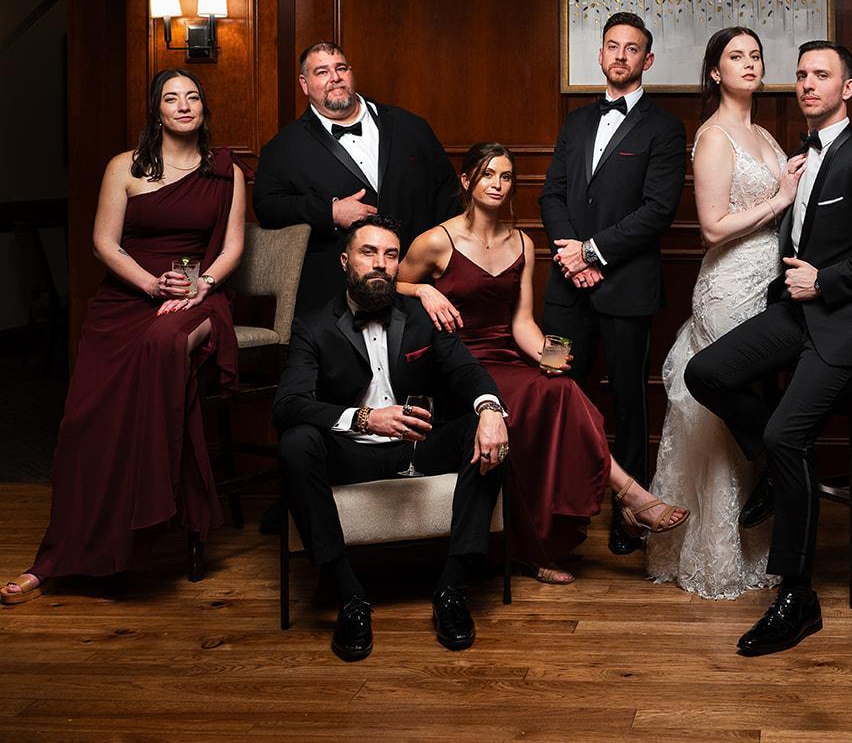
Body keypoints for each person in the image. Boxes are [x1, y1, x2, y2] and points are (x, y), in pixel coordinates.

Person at [686, 40, 852, 655]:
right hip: (798, 314)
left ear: (848, 89)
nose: (809, 84)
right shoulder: (800, 156)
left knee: (790, 436)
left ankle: (798, 596)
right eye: (802, 75)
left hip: (848, 323)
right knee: (705, 372)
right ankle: (769, 454)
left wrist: (827, 280)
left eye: (823, 75)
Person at [4, 69, 245, 606]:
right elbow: (103, 244)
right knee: (83, 420)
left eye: (192, 97)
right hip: (127, 298)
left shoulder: (225, 170)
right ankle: (59, 557)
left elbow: (232, 248)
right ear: (156, 111)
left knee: (162, 345)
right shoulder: (125, 166)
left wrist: (202, 285)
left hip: (200, 298)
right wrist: (151, 285)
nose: (183, 106)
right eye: (171, 98)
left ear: (203, 108)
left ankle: (147, 515)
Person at [398, 143, 687, 585]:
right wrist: (423, 290)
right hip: (457, 366)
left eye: (506, 176)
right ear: (466, 181)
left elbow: (522, 323)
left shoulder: (523, 243)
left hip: (505, 357)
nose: (497, 184)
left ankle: (546, 543)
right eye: (487, 174)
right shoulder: (437, 240)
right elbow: (390, 284)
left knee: (561, 387)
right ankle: (630, 496)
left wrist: (550, 358)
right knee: (537, 399)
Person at [273, 215, 510, 661]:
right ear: (345, 261)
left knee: (485, 430)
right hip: (351, 454)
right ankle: (349, 596)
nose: (380, 263)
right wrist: (365, 419)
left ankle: (452, 589)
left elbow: (466, 370)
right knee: (296, 442)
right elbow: (287, 405)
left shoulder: (422, 317)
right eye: (368, 252)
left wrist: (491, 410)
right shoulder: (313, 326)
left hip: (418, 447)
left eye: (390, 254)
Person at [647, 27, 805, 598]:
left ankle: (759, 540)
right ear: (716, 71)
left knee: (757, 396)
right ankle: (717, 552)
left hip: (773, 280)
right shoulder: (713, 137)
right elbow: (712, 228)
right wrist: (779, 199)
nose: (749, 63)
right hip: (732, 283)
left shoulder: (763, 132)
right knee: (720, 407)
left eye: (755, 55)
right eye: (736, 56)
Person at [540, 12, 687, 555]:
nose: (620, 55)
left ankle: (629, 519)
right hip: (564, 292)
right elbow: (552, 196)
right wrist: (571, 257)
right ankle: (553, 517)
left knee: (628, 403)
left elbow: (658, 211)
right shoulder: (576, 122)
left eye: (632, 48)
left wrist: (593, 252)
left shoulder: (665, 128)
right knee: (553, 386)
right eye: (612, 46)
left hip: (626, 291)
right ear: (600, 55)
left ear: (647, 60)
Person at [253, 41, 459, 316]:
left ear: (351, 73)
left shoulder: (411, 127)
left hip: (417, 290)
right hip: (333, 296)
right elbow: (267, 207)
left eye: (341, 68)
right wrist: (330, 212)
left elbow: (449, 196)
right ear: (304, 84)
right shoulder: (283, 148)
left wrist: (444, 263)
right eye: (322, 72)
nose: (335, 77)